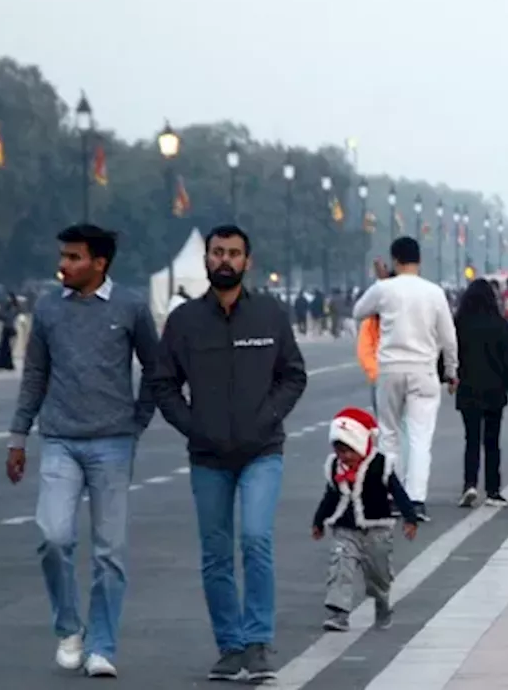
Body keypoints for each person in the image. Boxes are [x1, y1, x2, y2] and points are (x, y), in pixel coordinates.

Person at [149, 225, 307, 683]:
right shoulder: (184, 322)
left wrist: (269, 415)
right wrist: (192, 424)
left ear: (247, 261)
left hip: (262, 450)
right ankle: (230, 646)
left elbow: (294, 375)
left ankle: (258, 642)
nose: (224, 260)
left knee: (256, 539)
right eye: (217, 252)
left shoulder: (270, 316)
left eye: (234, 253)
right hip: (208, 455)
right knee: (216, 554)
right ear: (206, 259)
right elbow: (162, 381)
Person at [5, 224, 158, 678]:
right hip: (59, 440)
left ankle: (102, 646)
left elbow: (156, 367)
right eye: (63, 256)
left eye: (73, 257)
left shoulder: (130, 306)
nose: (63, 265)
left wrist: (138, 420)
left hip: (113, 442)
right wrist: (18, 438)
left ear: (99, 263)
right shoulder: (49, 307)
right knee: (53, 537)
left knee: (110, 551)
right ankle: (69, 627)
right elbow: (34, 374)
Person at [353, 237, 459, 522]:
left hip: (390, 368)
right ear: (419, 261)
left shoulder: (384, 289)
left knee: (388, 435)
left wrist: (383, 281)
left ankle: (391, 494)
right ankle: (416, 498)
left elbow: (358, 311)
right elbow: (449, 337)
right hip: (423, 370)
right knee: (420, 438)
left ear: (395, 260)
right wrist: (451, 370)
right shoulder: (434, 293)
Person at [312, 407, 418, 633]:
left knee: (378, 575)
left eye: (350, 451)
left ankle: (382, 605)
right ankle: (339, 613)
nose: (345, 457)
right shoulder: (334, 467)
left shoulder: (380, 464)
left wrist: (410, 518)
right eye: (340, 451)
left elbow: (397, 492)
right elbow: (330, 496)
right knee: (341, 567)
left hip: (377, 530)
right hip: (345, 529)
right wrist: (319, 521)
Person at [453, 279, 508, 507]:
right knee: (492, 441)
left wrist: (448, 377)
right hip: (494, 390)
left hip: (468, 389)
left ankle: (469, 485)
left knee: (471, 439)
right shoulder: (500, 325)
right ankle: (493, 490)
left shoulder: (459, 324)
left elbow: (450, 354)